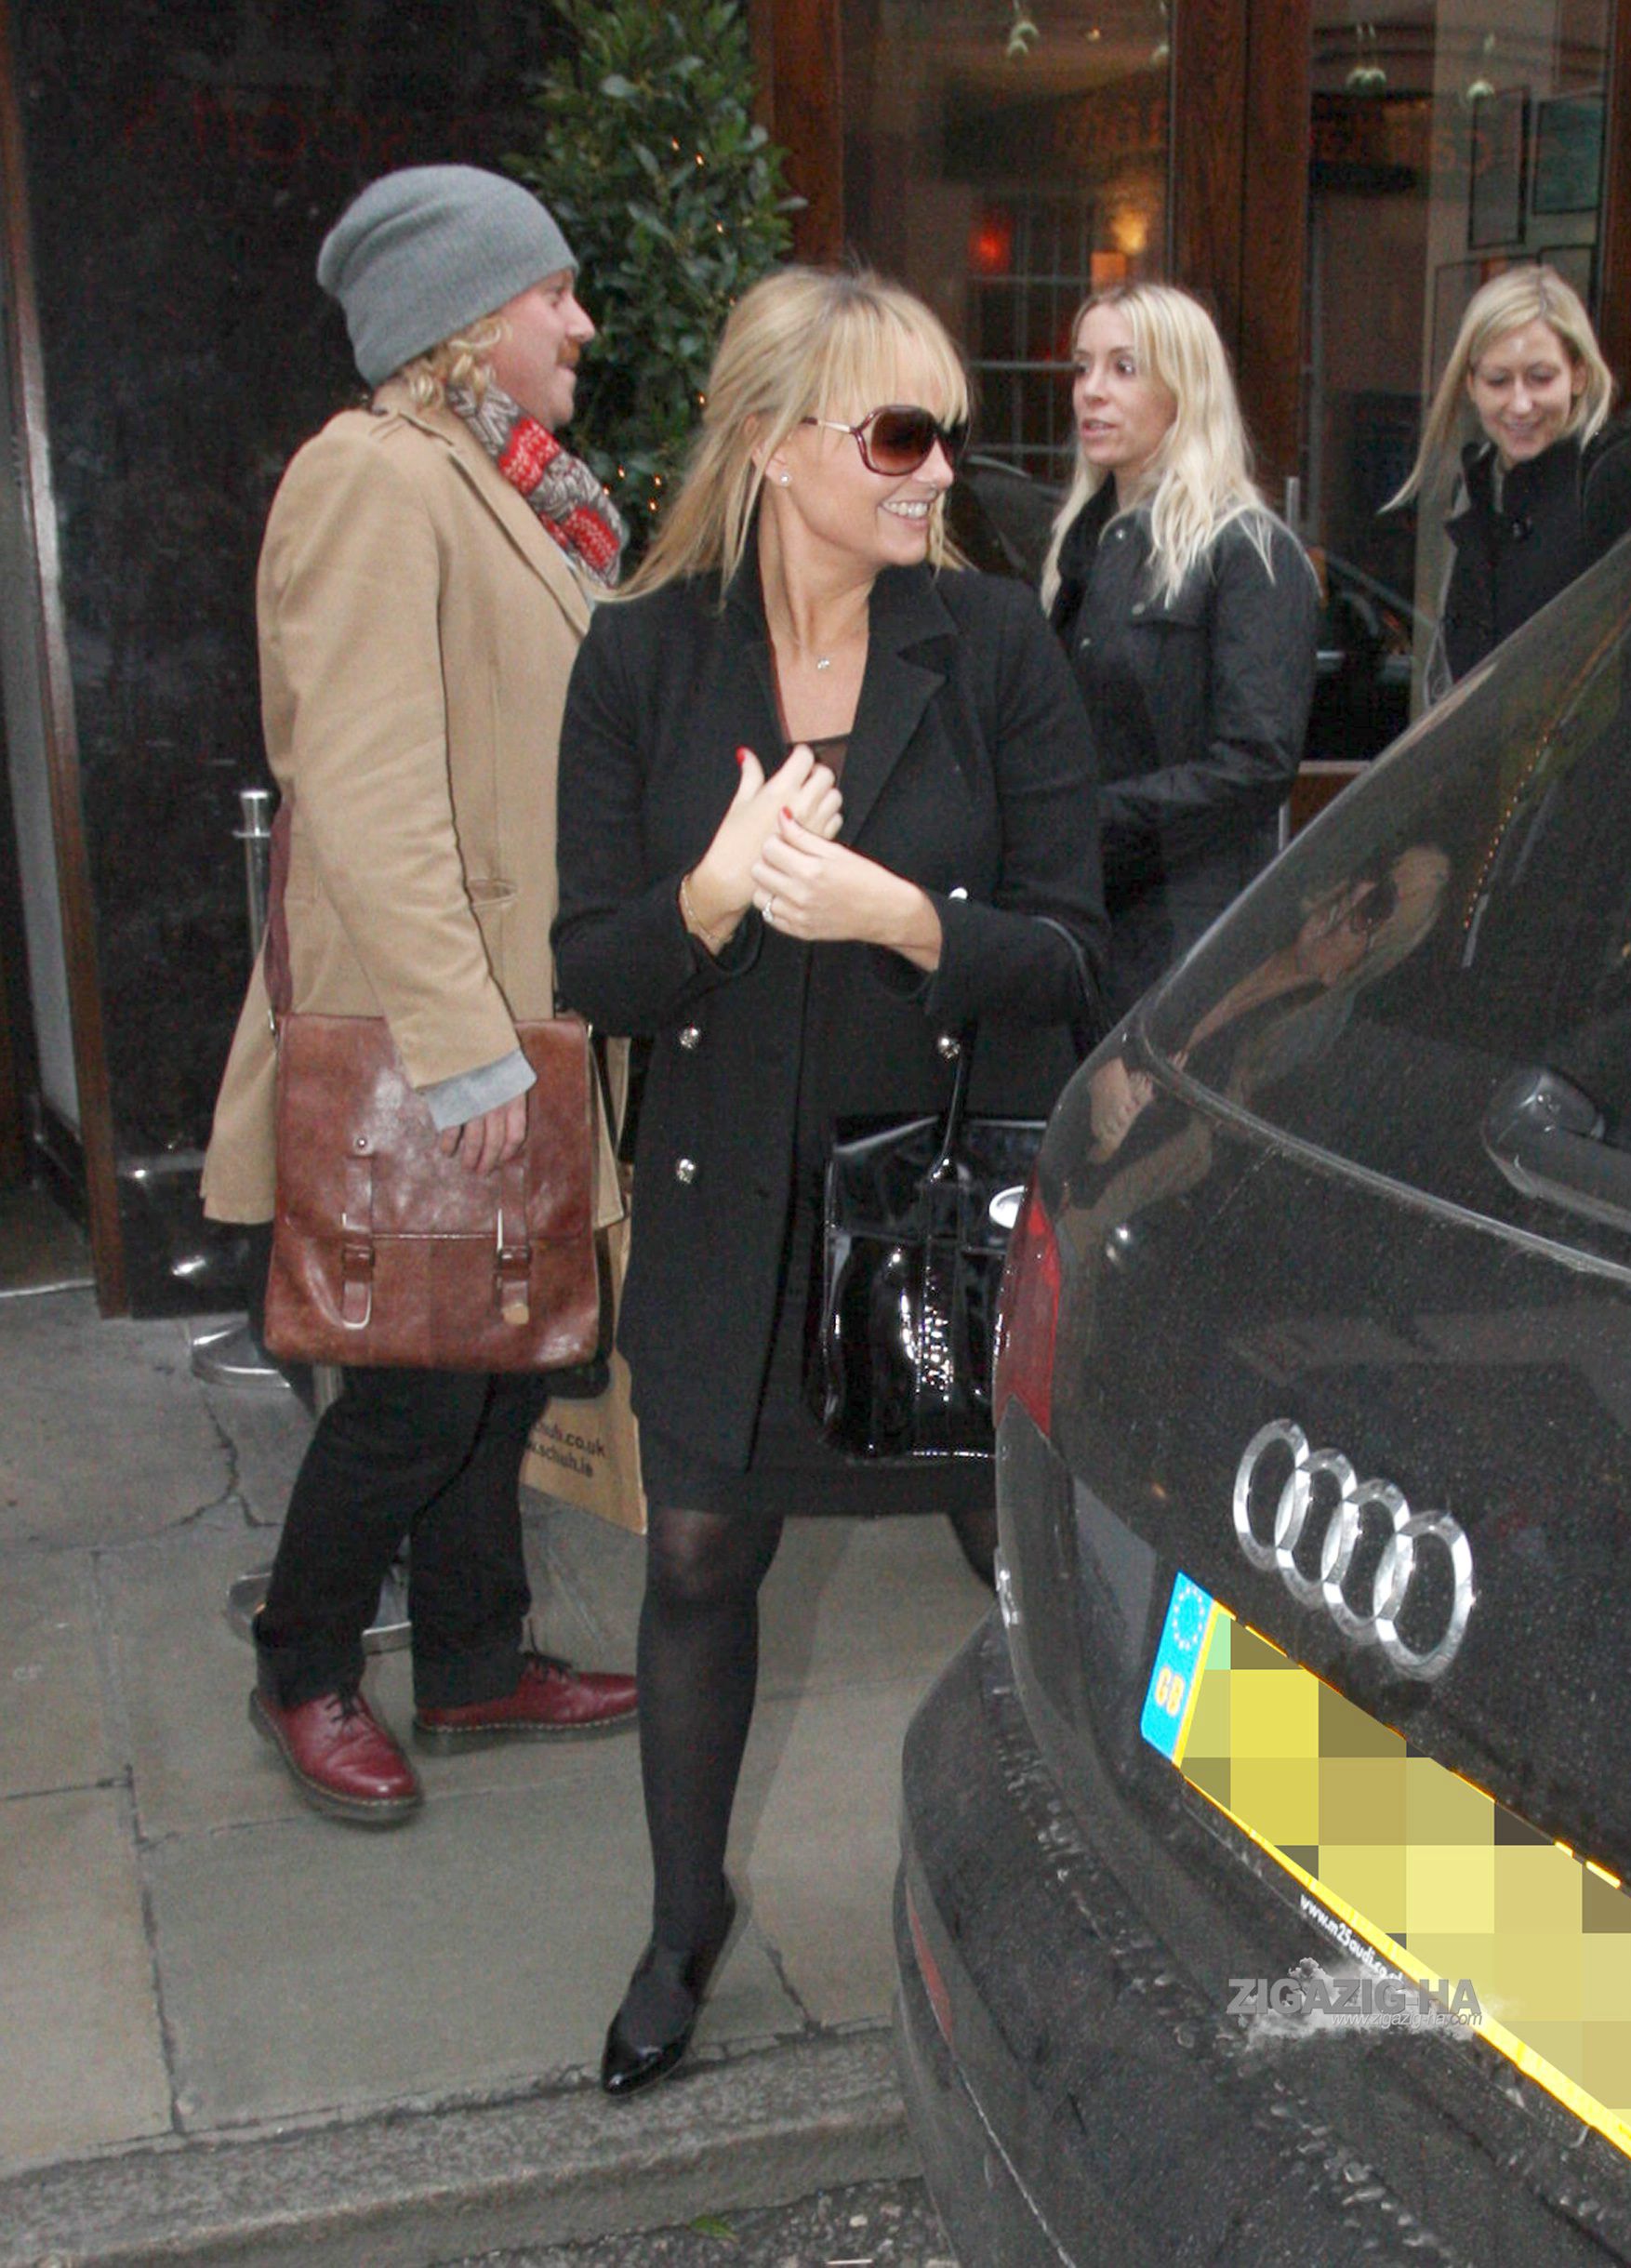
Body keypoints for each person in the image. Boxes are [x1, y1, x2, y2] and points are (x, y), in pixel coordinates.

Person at [551, 267, 1107, 2096]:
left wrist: (905, 917)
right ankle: (675, 1922)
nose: (938, 469)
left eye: (946, 431)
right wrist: (712, 896)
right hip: (729, 1198)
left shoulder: (994, 644)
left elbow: (1071, 954)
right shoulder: (643, 658)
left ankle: (1088, 1898)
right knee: (698, 1550)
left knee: (1018, 1558)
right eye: (897, 433)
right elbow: (593, 967)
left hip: (934, 1203)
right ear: (775, 443)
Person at [200, 166, 637, 1829]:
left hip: (520, 1009)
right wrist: (465, 1053)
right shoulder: (374, 478)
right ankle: (303, 1659)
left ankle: (470, 1657)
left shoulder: (508, 486)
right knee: (414, 1386)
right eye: (553, 293)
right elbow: (369, 793)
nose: (580, 322)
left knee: (504, 1358)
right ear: (465, 317)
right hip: (436, 1027)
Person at [1043, 283, 1319, 1018]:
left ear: (1185, 388)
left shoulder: (1247, 551)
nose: (1091, 390)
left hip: (1192, 939)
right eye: (1082, 366)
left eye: (1125, 367)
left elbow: (1255, 766)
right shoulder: (1084, 542)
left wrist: (1088, 821)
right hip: (1086, 918)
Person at [1386, 265, 1621, 700]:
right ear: (1471, 385)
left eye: (1541, 377)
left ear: (1579, 375)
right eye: (1498, 381)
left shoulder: (1610, 493)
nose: (1520, 404)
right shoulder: (1473, 492)